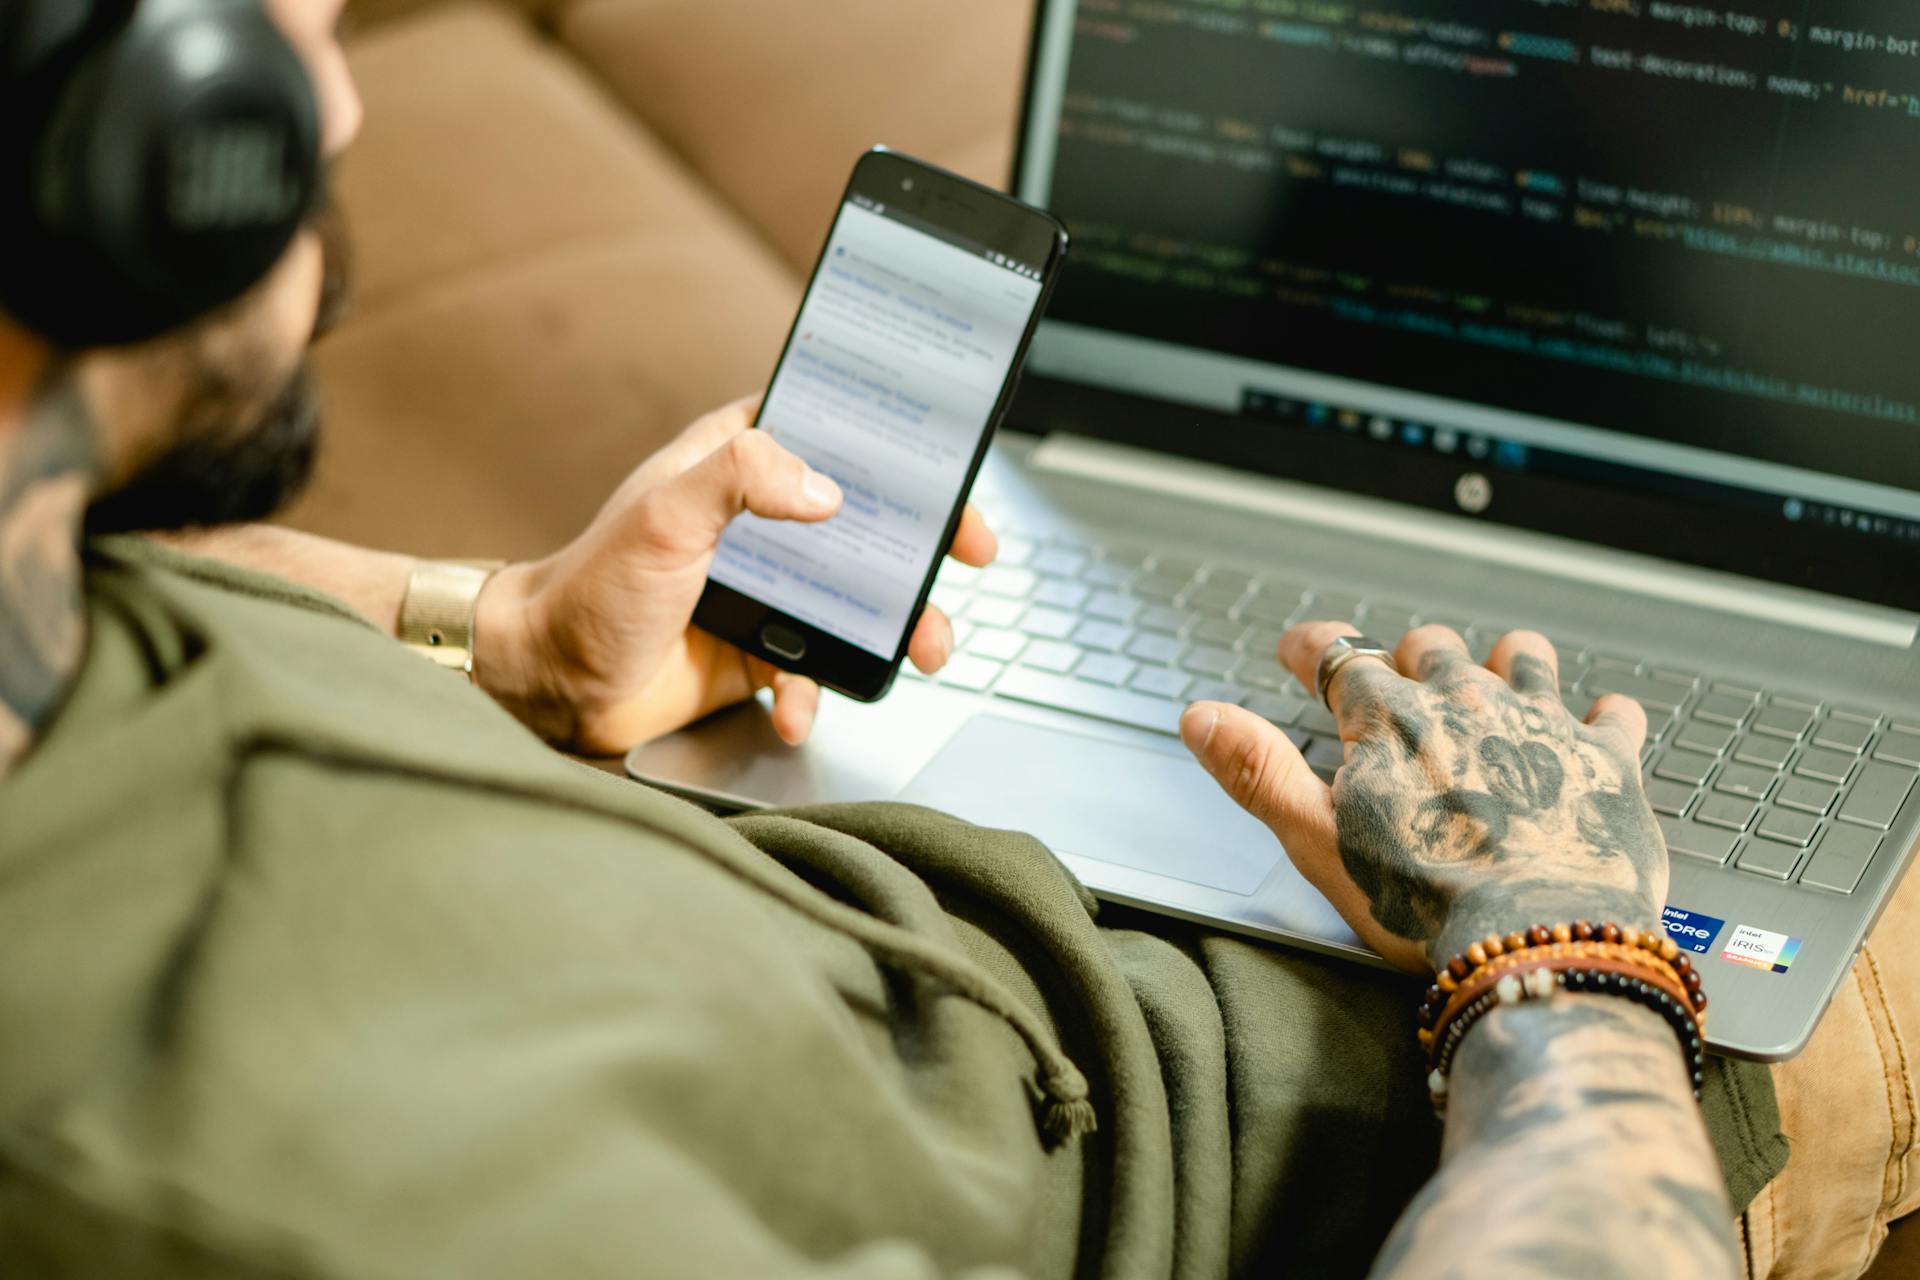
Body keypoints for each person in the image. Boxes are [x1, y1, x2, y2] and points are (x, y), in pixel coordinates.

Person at [0, 0, 1912, 1274]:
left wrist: (498, 632)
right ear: (118, 164)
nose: (342, 104)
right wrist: (1562, 945)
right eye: (285, 44)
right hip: (1446, 1113)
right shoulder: (230, 1177)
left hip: (829, 872)